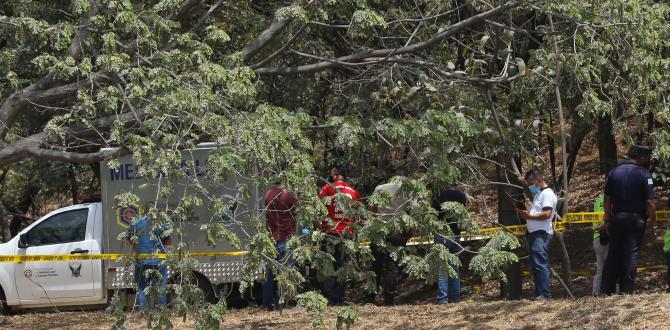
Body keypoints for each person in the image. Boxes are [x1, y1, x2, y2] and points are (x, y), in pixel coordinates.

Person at [601, 145, 656, 295]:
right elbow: (650, 202)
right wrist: (654, 220)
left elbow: (607, 198)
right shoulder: (645, 174)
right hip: (636, 220)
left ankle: (606, 291)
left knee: (613, 254)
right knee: (631, 254)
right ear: (642, 157)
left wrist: (607, 219)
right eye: (648, 157)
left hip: (617, 218)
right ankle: (626, 291)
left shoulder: (613, 171)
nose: (649, 160)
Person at [366, 169, 411, 305]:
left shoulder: (380, 188)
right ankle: (389, 300)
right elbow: (413, 211)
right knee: (392, 267)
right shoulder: (408, 191)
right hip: (397, 231)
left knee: (376, 265)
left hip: (379, 230)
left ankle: (370, 298)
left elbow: (371, 209)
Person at [318, 166, 362, 305]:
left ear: (336, 175)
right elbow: (359, 211)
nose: (330, 175)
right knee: (342, 266)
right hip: (346, 233)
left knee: (329, 265)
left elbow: (319, 206)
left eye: (332, 173)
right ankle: (339, 298)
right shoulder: (353, 191)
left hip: (330, 231)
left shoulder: (327, 188)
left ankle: (331, 297)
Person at [516, 169, 557, 300]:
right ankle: (539, 293)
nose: (530, 186)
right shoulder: (539, 194)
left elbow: (547, 214)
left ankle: (545, 294)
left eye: (531, 183)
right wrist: (526, 215)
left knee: (540, 263)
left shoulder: (547, 194)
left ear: (538, 180)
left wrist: (529, 216)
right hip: (534, 233)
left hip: (542, 233)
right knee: (536, 264)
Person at [262, 182, 298, 309]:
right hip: (286, 238)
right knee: (286, 272)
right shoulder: (286, 194)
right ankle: (285, 301)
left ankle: (267, 302)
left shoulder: (268, 194)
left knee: (270, 273)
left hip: (272, 239)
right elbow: (297, 210)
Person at [126, 213, 172, 309]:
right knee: (161, 289)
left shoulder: (135, 223)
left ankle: (143, 313)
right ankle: (161, 314)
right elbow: (169, 242)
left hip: (142, 261)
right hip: (159, 262)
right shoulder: (161, 223)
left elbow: (130, 241)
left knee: (142, 289)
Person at [432, 185, 467, 304]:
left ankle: (443, 299)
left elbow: (433, 214)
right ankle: (455, 298)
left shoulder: (439, 195)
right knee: (454, 268)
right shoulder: (462, 197)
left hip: (442, 234)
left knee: (442, 269)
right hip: (456, 235)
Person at [592, 194, 609, 296]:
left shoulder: (598, 199)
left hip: (597, 238)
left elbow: (595, 221)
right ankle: (613, 292)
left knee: (600, 269)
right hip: (608, 237)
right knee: (613, 267)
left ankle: (596, 293)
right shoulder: (613, 198)